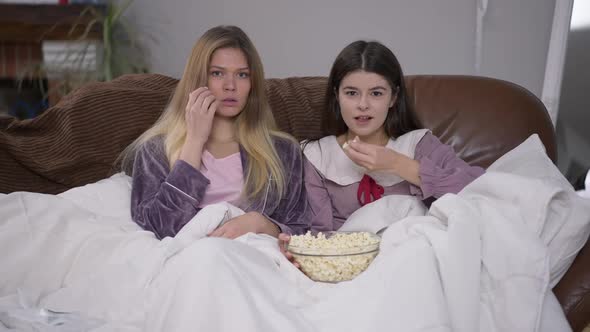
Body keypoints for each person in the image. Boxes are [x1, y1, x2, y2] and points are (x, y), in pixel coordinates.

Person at [279, 40, 484, 252]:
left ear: (393, 97)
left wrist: (399, 164)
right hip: (349, 263)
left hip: (413, 255)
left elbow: (476, 190)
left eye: (376, 93)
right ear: (336, 96)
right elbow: (318, 234)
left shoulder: (418, 144)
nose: (363, 105)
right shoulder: (317, 156)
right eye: (351, 93)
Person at [121, 25, 308, 240]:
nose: (230, 86)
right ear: (198, 79)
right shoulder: (155, 150)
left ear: (252, 84)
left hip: (252, 260)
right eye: (217, 73)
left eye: (242, 74)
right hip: (187, 263)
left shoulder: (283, 151)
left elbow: (301, 230)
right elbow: (158, 229)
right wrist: (194, 141)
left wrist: (260, 223)